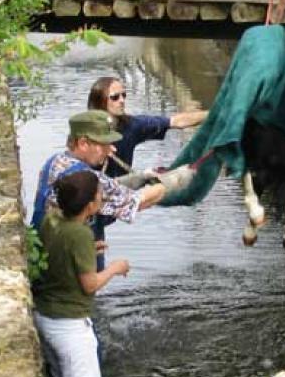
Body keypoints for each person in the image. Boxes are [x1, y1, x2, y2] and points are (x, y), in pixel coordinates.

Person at [33, 171, 128, 377]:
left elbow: (59, 252)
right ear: (89, 206)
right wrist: (115, 268)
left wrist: (89, 250)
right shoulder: (80, 234)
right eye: (99, 194)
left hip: (44, 316)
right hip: (68, 325)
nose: (102, 197)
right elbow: (89, 285)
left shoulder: (52, 220)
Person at [86, 76, 208, 269]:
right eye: (115, 97)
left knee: (95, 266)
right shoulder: (85, 133)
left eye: (124, 95)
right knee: (89, 267)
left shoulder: (132, 126)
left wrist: (217, 114)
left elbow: (176, 121)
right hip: (85, 205)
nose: (122, 100)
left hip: (109, 201)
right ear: (99, 102)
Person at [29, 110, 195, 235]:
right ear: (83, 143)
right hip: (68, 267)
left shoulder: (54, 162)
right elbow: (138, 202)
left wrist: (140, 178)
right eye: (104, 144)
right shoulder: (89, 179)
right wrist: (170, 182)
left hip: (46, 249)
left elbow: (108, 189)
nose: (111, 149)